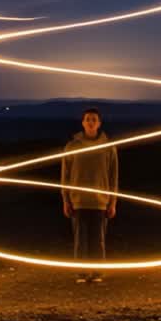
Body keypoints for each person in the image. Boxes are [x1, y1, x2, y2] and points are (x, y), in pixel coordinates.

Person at [60, 106, 118, 283]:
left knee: (98, 240)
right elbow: (65, 175)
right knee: (80, 240)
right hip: (78, 200)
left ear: (99, 123)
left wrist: (113, 202)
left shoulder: (108, 147)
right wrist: (66, 200)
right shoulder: (72, 146)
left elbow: (113, 176)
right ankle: (82, 273)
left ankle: (97, 272)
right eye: (87, 119)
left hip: (100, 201)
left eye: (94, 119)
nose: (90, 122)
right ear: (82, 123)